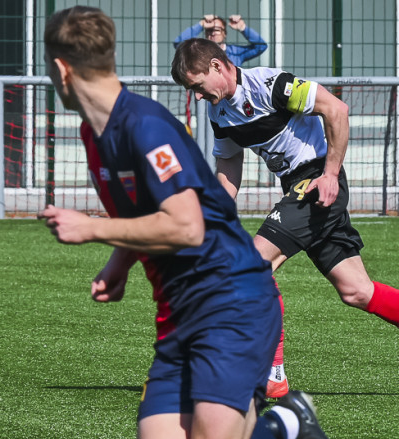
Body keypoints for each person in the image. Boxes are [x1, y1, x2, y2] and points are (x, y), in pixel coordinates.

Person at [41, 5, 347, 439]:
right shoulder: (95, 132)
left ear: (60, 69)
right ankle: (288, 422)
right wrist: (122, 260)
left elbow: (186, 223)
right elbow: (155, 210)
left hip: (230, 302)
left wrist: (93, 228)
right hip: (178, 313)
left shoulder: (144, 124)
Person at [171, 38, 399, 397]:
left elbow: (337, 110)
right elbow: (229, 164)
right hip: (298, 188)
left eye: (197, 86)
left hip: (316, 183)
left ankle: (271, 375)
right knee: (358, 291)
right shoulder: (220, 112)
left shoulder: (270, 85)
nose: (197, 97)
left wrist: (330, 174)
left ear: (217, 67)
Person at [173, 14, 266, 67]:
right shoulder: (199, 52)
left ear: (224, 33)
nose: (213, 33)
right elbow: (179, 44)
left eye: (217, 30)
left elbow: (261, 46)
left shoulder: (235, 52)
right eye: (209, 30)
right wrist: (201, 25)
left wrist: (243, 28)